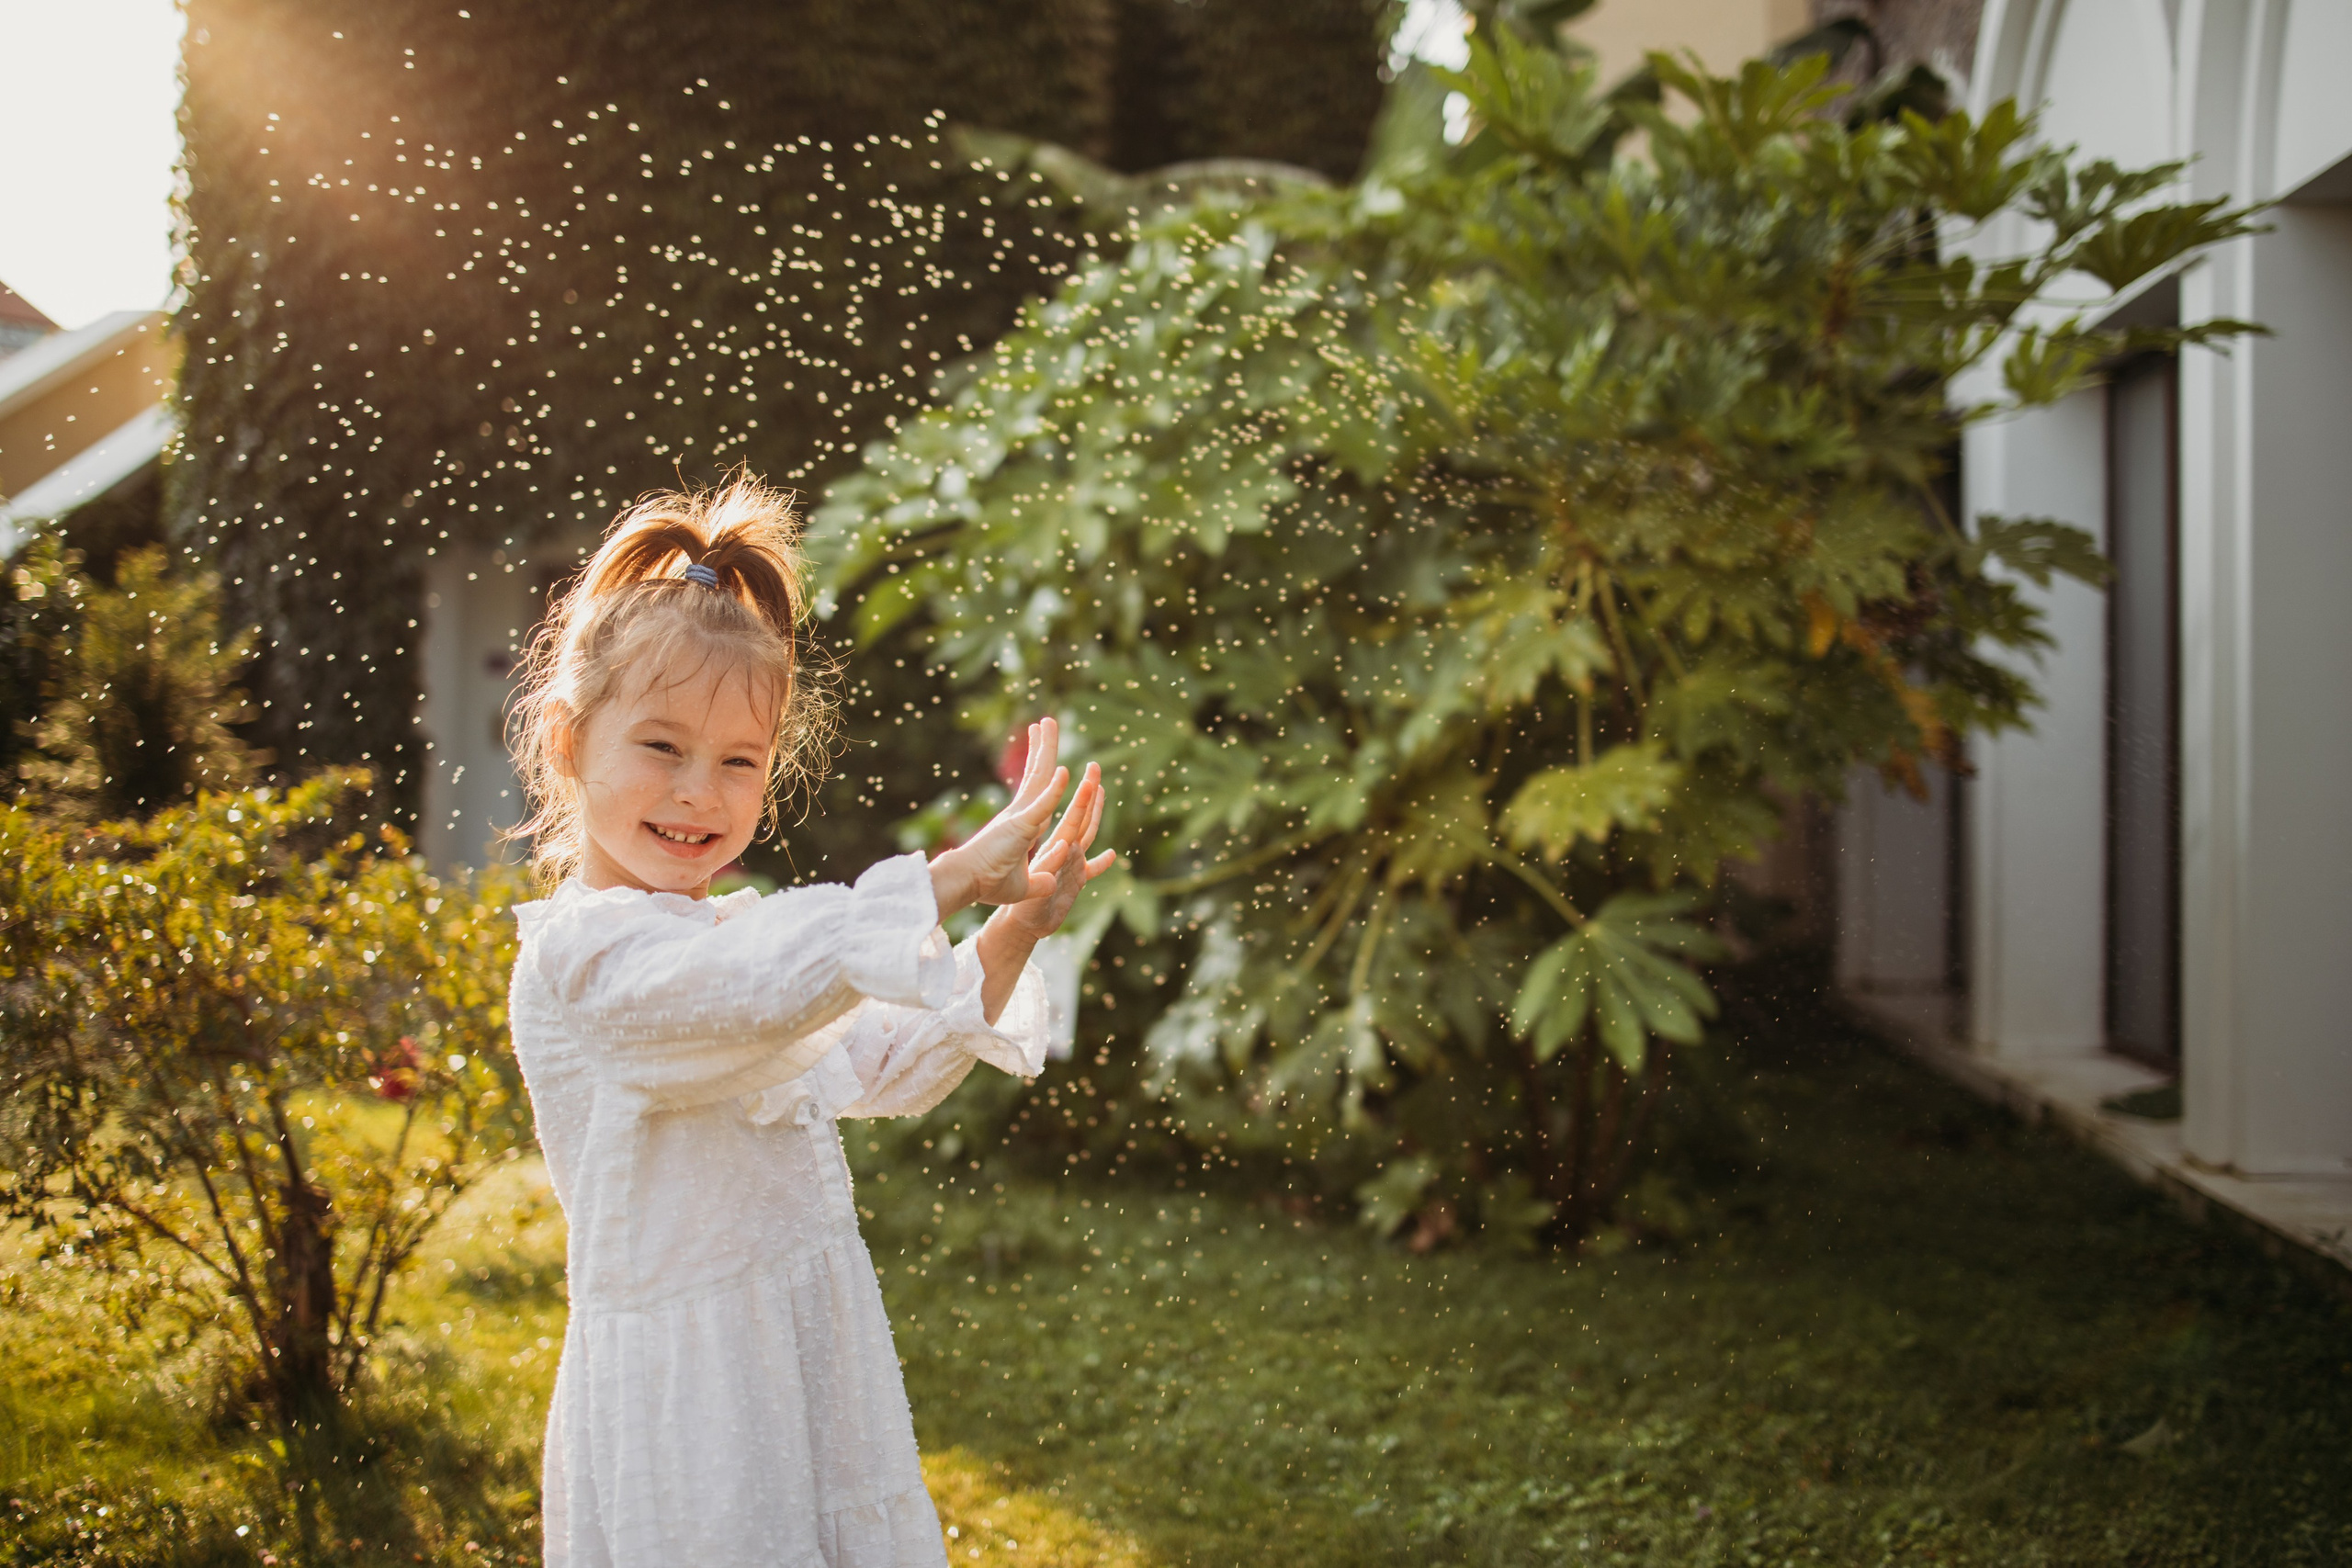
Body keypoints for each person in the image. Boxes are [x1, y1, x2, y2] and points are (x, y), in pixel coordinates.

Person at [503, 476, 1114, 1567]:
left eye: (738, 761)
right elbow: (748, 989)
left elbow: (885, 1063)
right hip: (691, 1419)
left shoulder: (736, 940)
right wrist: (945, 880)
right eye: (661, 747)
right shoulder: (585, 958)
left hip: (807, 1364)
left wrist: (1012, 929)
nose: (700, 792)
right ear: (566, 741)